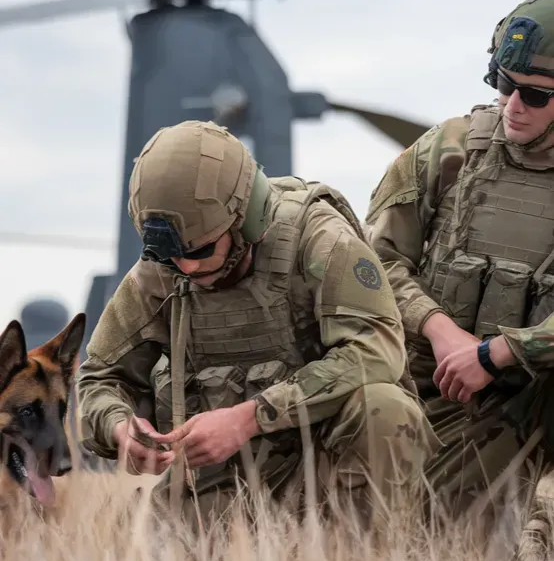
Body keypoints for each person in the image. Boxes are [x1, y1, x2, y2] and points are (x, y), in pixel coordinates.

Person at [76, 119, 437, 530]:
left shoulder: (319, 240)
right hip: (219, 489)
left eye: (202, 250)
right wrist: (119, 426)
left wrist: (248, 418)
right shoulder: (166, 267)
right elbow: (101, 376)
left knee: (384, 410)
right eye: (171, 255)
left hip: (326, 477)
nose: (187, 266)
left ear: (245, 219)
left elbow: (376, 352)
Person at [364, 0, 554, 530]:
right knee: (417, 536)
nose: (513, 105)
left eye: (536, 95)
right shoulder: (447, 149)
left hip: (537, 383)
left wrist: (500, 353)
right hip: (450, 380)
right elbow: (374, 264)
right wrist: (441, 330)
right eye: (503, 84)